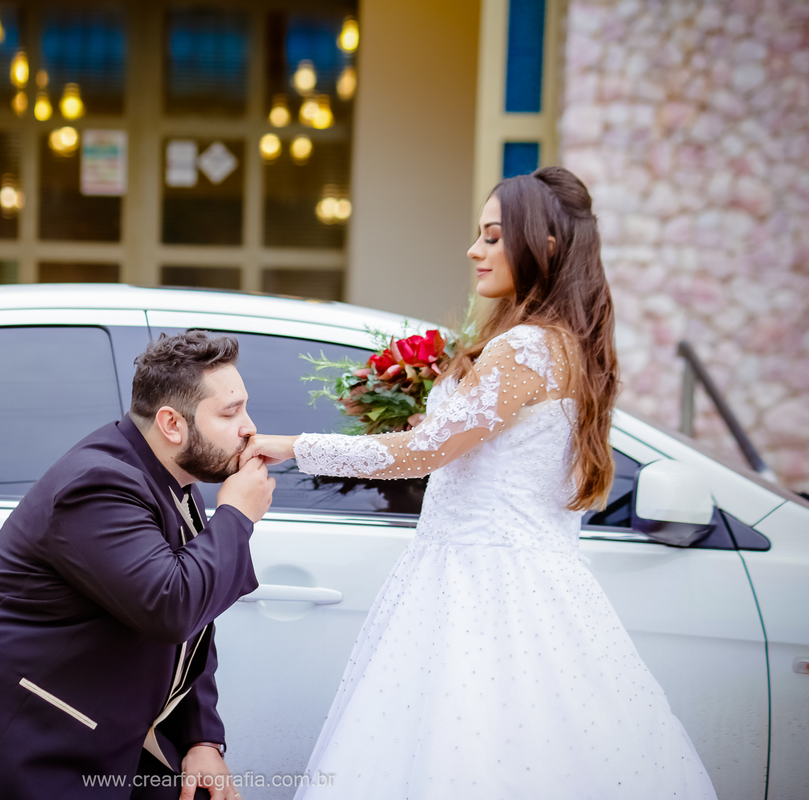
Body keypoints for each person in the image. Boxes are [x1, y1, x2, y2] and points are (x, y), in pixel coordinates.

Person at [243, 167, 718, 798]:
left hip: (482, 591)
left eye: (493, 236)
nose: (474, 250)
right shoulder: (567, 346)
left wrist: (292, 446)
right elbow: (481, 449)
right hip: (531, 586)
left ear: (544, 245)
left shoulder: (522, 349)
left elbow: (423, 454)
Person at [0, 332, 274, 800]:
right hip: (6, 740)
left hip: (88, 728)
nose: (249, 428)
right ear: (171, 424)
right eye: (230, 413)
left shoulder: (173, 478)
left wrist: (201, 739)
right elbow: (171, 606)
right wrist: (237, 515)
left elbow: (194, 620)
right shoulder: (100, 483)